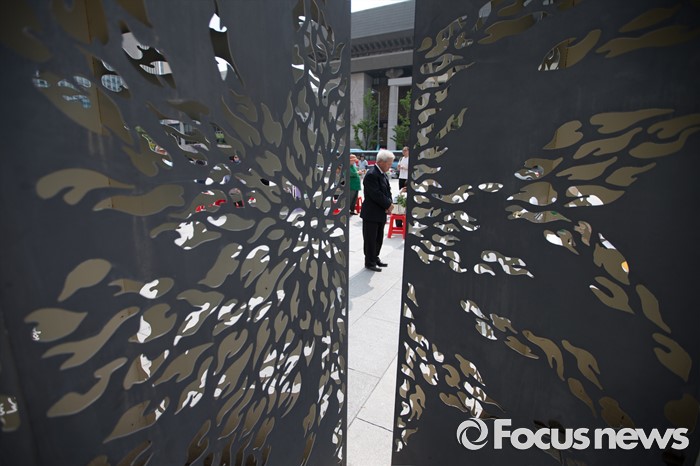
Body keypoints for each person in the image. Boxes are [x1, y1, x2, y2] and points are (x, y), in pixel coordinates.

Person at [360, 149, 395, 272]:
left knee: (378, 238)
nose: (390, 166)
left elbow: (388, 191)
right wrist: (388, 205)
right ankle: (369, 262)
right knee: (370, 239)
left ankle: (375, 258)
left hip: (381, 212)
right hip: (371, 213)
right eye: (389, 163)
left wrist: (390, 204)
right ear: (381, 162)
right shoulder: (371, 174)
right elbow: (376, 194)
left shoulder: (383, 174)